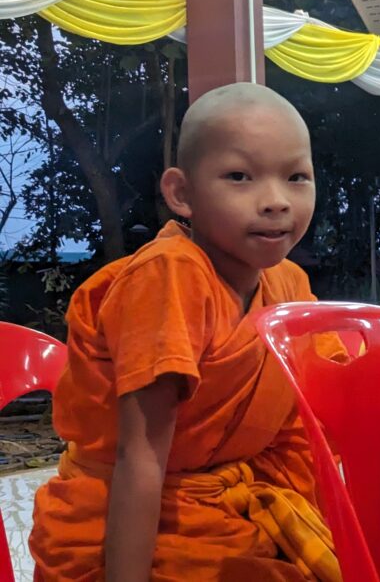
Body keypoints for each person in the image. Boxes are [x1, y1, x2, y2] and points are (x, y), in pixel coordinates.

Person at [30, 83, 340, 581]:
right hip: (126, 526)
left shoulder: (290, 285)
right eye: (240, 176)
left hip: (231, 513)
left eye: (296, 177)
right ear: (181, 193)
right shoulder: (170, 276)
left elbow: (310, 428)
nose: (276, 201)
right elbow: (141, 454)